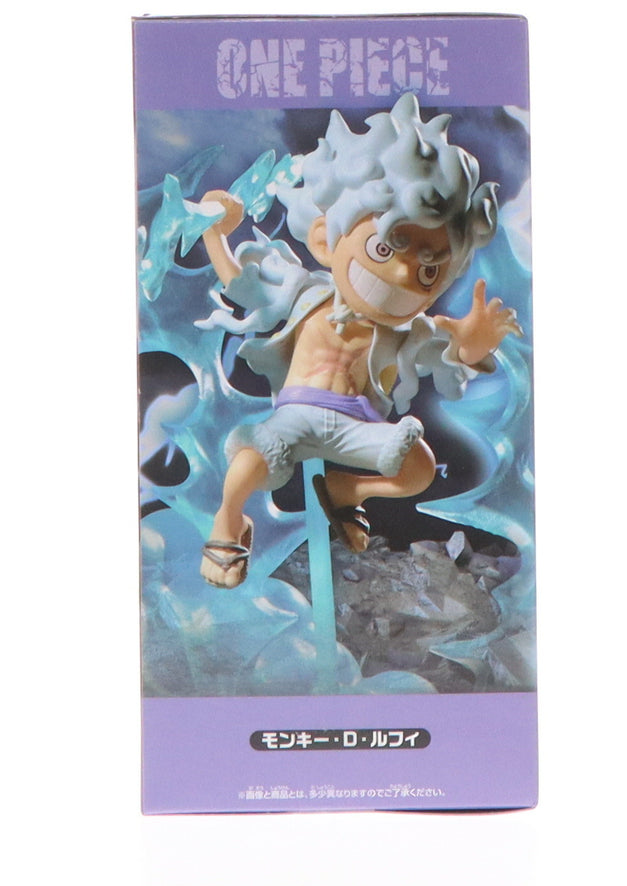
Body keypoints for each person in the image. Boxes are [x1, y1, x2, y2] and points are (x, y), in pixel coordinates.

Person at [195, 94, 521, 588]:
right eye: (386, 248)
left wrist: (476, 343)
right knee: (247, 462)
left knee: (418, 467)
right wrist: (215, 235)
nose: (402, 275)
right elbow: (241, 282)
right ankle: (229, 521)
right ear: (324, 240)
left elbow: (454, 354)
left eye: (428, 270)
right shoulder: (304, 293)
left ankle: (350, 490)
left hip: (358, 426)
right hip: (295, 417)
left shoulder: (409, 331)